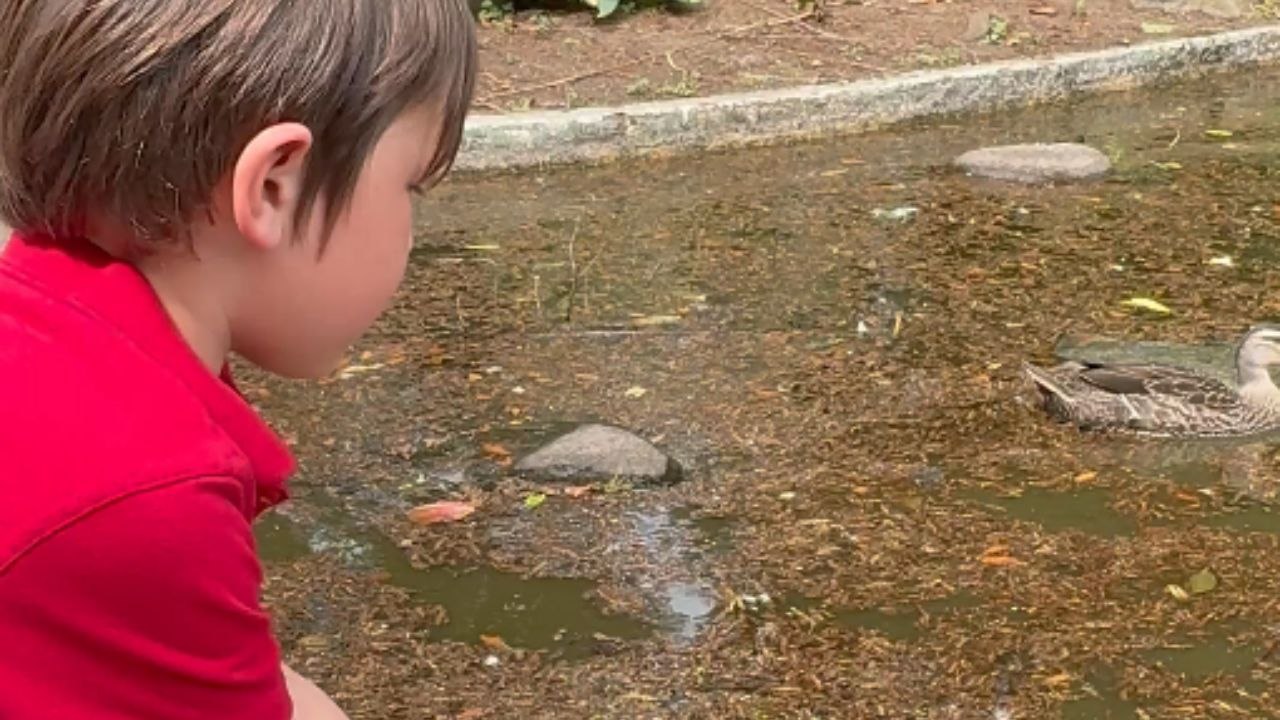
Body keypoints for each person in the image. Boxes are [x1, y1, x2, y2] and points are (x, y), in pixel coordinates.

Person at [0, 1, 477, 717]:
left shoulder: (44, 337)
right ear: (274, 186)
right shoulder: (147, 494)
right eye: (411, 186)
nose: (411, 234)